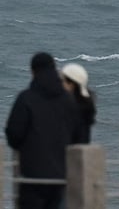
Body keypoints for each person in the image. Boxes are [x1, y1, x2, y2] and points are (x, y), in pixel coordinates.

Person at [5, 52, 82, 209]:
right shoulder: (68, 100)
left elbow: (14, 135)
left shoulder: (26, 98)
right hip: (62, 177)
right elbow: (79, 136)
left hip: (33, 177)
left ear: (33, 72)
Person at [60, 63, 97, 143]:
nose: (61, 84)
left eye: (63, 81)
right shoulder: (88, 102)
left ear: (72, 84)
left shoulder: (68, 105)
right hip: (83, 150)